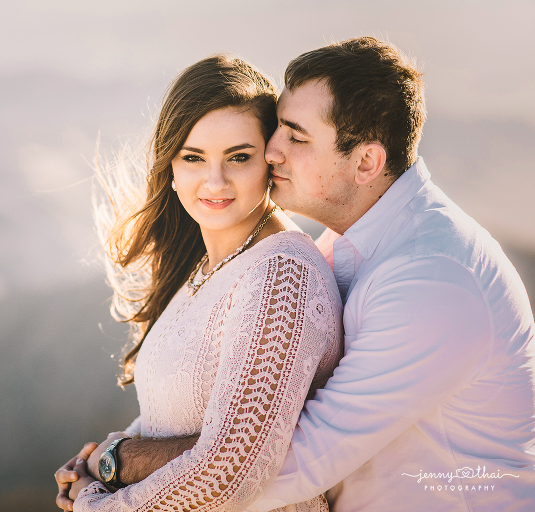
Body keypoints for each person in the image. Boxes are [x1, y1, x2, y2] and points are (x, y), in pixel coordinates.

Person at [58, 37, 535, 511]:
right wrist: (112, 454)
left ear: (367, 161)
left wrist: (108, 478)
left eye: (295, 136)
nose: (272, 150)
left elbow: (271, 465)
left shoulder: (429, 278)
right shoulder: (346, 245)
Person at [55, 55, 344, 512]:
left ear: (270, 161)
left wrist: (96, 502)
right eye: (193, 158)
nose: (215, 181)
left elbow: (230, 468)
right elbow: (179, 414)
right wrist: (104, 457)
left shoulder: (281, 274)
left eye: (239, 157)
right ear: (170, 167)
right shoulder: (210, 264)